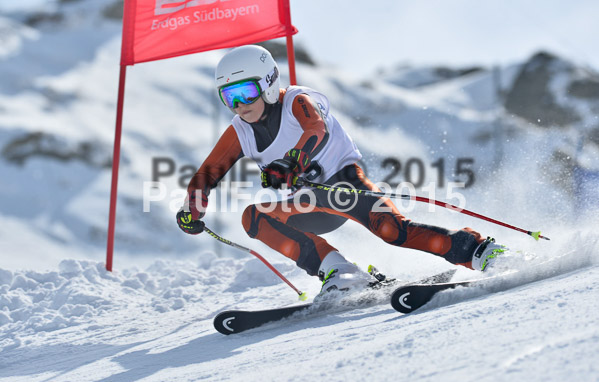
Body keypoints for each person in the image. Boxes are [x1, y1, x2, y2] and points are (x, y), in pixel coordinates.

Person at [176, 45, 505, 295]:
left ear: (266, 83)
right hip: (311, 202)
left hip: (344, 184)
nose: (238, 105)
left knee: (392, 231)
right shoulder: (241, 130)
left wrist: (291, 162)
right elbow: (209, 172)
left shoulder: (297, 101)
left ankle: (478, 250)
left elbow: (315, 130)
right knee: (255, 217)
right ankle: (341, 273)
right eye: (228, 97)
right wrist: (192, 207)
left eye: (244, 92)